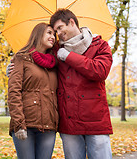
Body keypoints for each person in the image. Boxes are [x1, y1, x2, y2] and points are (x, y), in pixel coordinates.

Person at [50, 8, 113, 159]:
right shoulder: (56, 49)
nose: (57, 33)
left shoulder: (100, 45)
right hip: (69, 120)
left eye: (60, 28)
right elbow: (38, 60)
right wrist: (19, 67)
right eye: (55, 30)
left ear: (71, 22)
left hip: (95, 120)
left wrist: (69, 57)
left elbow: (100, 71)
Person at [8, 22, 59, 159]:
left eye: (54, 34)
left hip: (49, 125)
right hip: (26, 124)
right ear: (38, 34)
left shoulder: (55, 63)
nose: (53, 37)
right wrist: (19, 124)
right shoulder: (21, 58)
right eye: (49, 33)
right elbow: (14, 92)